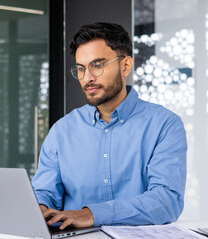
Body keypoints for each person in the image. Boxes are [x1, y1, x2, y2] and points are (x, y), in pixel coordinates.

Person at [31, 22, 187, 230]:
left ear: (125, 66)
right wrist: (39, 208)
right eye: (80, 69)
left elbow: (166, 201)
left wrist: (92, 214)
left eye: (97, 65)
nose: (88, 78)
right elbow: (44, 191)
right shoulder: (62, 131)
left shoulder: (164, 125)